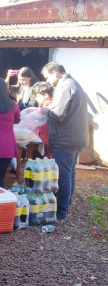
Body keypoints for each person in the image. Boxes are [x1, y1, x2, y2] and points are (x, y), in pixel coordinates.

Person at [41, 62, 89, 221]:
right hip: (76, 136)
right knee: (70, 173)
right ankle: (66, 206)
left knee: (63, 175)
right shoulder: (74, 84)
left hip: (66, 138)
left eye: (47, 77)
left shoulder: (65, 86)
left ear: (55, 73)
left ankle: (61, 212)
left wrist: (46, 109)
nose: (48, 81)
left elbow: (57, 114)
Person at [32, 82, 54, 158]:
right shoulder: (44, 106)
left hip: (50, 140)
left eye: (37, 96)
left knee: (50, 159)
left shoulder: (50, 107)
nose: (36, 99)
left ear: (45, 95)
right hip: (45, 140)